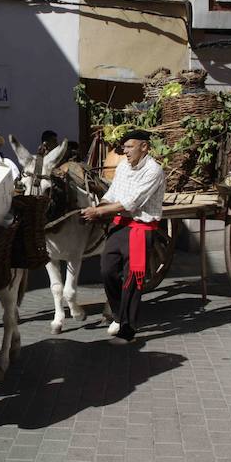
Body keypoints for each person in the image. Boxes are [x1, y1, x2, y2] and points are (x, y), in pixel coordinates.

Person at [80, 129, 165, 343]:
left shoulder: (153, 170)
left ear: (144, 147)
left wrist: (99, 212)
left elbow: (132, 203)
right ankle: (118, 314)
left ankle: (128, 330)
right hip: (120, 225)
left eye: (129, 147)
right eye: (124, 147)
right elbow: (113, 193)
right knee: (107, 269)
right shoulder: (123, 166)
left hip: (140, 229)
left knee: (133, 279)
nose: (125, 151)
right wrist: (99, 205)